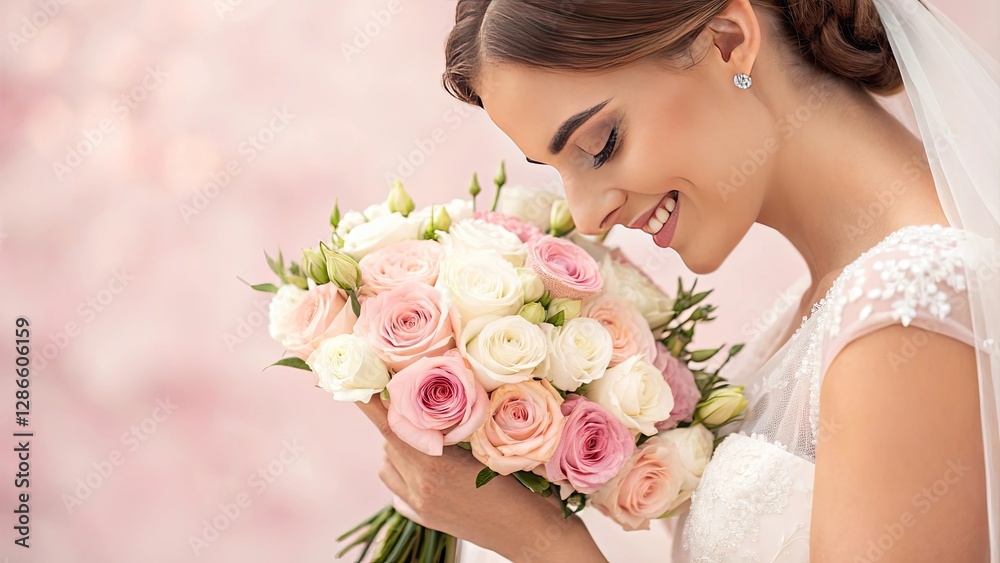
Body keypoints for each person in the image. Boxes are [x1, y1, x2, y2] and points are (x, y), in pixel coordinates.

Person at [358, 0, 1000, 560]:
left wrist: (543, 546)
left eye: (600, 143)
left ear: (727, 40)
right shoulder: (810, 315)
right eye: (557, 170)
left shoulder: (906, 316)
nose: (587, 217)